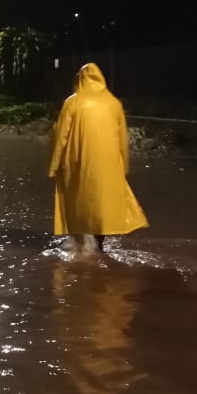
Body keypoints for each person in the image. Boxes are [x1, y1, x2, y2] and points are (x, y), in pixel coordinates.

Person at [49, 62, 148, 255]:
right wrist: (124, 167)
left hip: (79, 163)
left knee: (81, 201)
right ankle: (99, 246)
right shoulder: (114, 103)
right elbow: (122, 139)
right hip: (109, 164)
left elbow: (61, 136)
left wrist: (54, 165)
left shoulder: (72, 102)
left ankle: (82, 248)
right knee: (102, 203)